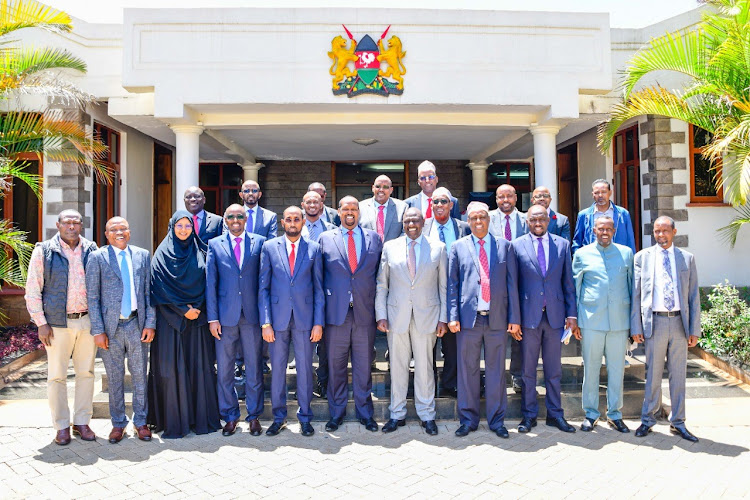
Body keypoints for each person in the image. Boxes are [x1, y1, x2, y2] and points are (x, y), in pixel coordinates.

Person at [25, 210, 98, 446]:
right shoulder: (44, 251)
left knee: (86, 373)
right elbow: (33, 290)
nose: (72, 226)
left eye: (76, 222)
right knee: (56, 377)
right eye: (67, 222)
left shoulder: (92, 249)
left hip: (86, 321)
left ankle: (82, 422)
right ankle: (61, 426)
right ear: (58, 225)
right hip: (57, 324)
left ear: (82, 225)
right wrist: (41, 323)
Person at [447, 202, 520, 438]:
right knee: (467, 370)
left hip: (497, 319)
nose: (478, 222)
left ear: (489, 220)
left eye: (482, 218)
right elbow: (452, 285)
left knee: (497, 370)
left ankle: (497, 421)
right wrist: (452, 316)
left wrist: (514, 318)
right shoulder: (458, 247)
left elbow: (512, 284)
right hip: (469, 320)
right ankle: (468, 419)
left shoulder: (504, 246)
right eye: (474, 218)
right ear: (468, 221)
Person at [147, 210, 221, 438]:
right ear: (172, 227)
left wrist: (195, 309)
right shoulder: (160, 255)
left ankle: (198, 420)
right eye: (179, 226)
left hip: (198, 321)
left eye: (187, 226)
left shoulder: (202, 251)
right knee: (172, 371)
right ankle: (174, 421)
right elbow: (158, 287)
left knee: (198, 369)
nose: (183, 230)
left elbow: (210, 282)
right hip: (170, 322)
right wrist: (182, 311)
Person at [376, 208, 447, 435]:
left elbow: (444, 286)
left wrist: (443, 318)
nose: (411, 224)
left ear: (423, 222)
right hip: (397, 316)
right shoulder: (390, 247)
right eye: (407, 220)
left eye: (415, 220)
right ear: (403, 223)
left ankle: (427, 415)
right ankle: (397, 414)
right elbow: (382, 284)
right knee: (397, 367)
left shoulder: (438, 248)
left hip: (427, 316)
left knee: (425, 367)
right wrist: (381, 314)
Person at [85, 217, 156, 443]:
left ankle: (141, 421)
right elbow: (93, 297)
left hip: (136, 325)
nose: (119, 232)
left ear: (129, 231)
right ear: (106, 234)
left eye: (123, 228)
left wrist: (150, 323)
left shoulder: (143, 255)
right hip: (110, 328)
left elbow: (148, 293)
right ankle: (118, 423)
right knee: (115, 377)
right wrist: (98, 330)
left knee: (139, 377)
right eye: (113, 229)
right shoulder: (97, 257)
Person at [632, 216, 701, 442]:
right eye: (657, 231)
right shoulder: (642, 257)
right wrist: (636, 326)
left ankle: (678, 422)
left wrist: (694, 330)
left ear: (674, 232)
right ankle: (648, 420)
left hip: (679, 323)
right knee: (652, 375)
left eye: (665, 231)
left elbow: (693, 296)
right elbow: (637, 295)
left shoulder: (686, 259)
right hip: (656, 322)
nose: (661, 235)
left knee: (678, 375)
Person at [512, 204, 578, 434]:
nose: (537, 223)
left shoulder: (562, 245)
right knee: (528, 371)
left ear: (549, 220)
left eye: (541, 219)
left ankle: (555, 415)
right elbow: (514, 286)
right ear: (527, 222)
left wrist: (571, 314)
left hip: (555, 317)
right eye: (533, 220)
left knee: (554, 370)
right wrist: (515, 319)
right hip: (528, 318)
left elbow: (568, 282)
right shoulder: (516, 246)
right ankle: (529, 416)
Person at [318, 196, 383, 432]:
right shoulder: (325, 238)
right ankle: (336, 413)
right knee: (336, 367)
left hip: (364, 313)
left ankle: (365, 414)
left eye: (354, 209)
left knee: (364, 366)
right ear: (338, 211)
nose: (350, 212)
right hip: (336, 315)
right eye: (345, 208)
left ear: (359, 212)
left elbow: (379, 277)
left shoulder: (374, 239)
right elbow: (319, 278)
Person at [259, 206, 324, 437]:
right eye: (289, 219)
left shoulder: (314, 249)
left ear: (303, 221)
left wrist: (318, 323)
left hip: (305, 319)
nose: (293, 222)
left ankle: (305, 417)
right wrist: (265, 322)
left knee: (305, 369)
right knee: (277, 369)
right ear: (282, 222)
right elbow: (263, 287)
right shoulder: (269, 247)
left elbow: (318, 288)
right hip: (277, 319)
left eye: (297, 219)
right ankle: (279, 418)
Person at [205, 204, 266, 437]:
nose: (236, 220)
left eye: (240, 216)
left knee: (253, 368)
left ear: (245, 219)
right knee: (225, 370)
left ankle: (254, 416)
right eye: (231, 216)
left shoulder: (260, 243)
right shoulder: (215, 244)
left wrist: (265, 318)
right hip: (225, 317)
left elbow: (263, 282)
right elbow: (211, 284)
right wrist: (213, 318)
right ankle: (230, 416)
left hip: (252, 317)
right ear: (225, 220)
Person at [572, 216, 633, 433]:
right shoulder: (582, 254)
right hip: (591, 320)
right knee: (591, 368)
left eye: (608, 228)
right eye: (601, 229)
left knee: (617, 369)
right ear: (594, 230)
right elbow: (575, 289)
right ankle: (590, 413)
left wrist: (634, 325)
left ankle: (615, 414)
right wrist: (575, 321)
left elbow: (632, 287)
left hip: (619, 321)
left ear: (614, 230)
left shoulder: (626, 253)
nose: (604, 232)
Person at [422, 187, 470, 398]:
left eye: (444, 201)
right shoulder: (422, 227)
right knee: (426, 342)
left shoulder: (465, 228)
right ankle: (427, 383)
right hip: (428, 292)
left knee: (452, 342)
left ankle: (450, 384)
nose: (439, 205)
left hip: (455, 293)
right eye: (435, 202)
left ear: (452, 204)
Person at [488, 184, 529, 393]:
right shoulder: (486, 218)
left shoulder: (526, 220)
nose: (505, 200)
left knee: (518, 330)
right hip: (495, 282)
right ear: (496, 199)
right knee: (495, 330)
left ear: (516, 198)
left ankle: (517, 375)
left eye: (509, 196)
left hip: (522, 282)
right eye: (501, 196)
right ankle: (494, 375)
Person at [239, 179, 277, 374]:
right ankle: (239, 361)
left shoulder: (270, 217)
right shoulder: (233, 215)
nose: (251, 193)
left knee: (262, 317)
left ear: (260, 194)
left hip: (261, 273)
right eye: (247, 190)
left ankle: (262, 359)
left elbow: (270, 245)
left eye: (254, 190)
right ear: (241, 194)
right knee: (238, 316)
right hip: (238, 275)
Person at [300, 190, 336, 398]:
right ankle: (305, 387)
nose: (313, 205)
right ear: (303, 204)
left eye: (316, 201)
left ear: (322, 205)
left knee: (325, 345)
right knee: (304, 345)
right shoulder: (295, 229)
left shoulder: (331, 230)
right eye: (309, 201)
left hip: (326, 295)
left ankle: (323, 383)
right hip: (302, 296)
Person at [572, 179, 636, 254]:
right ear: (592, 194)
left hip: (617, 258)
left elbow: (630, 240)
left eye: (604, 192)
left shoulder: (622, 214)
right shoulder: (584, 215)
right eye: (596, 193)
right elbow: (577, 242)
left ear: (610, 192)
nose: (600, 195)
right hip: (593, 259)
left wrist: (631, 260)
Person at [359, 175, 407, 243]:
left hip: (393, 251)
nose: (381, 190)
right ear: (373, 188)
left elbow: (405, 232)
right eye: (378, 186)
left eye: (385, 187)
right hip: (367, 252)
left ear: (391, 190)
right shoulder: (360, 207)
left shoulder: (402, 207)